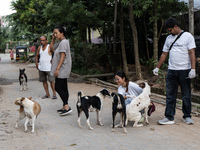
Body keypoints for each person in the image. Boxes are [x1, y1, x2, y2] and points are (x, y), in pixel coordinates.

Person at [153, 17, 196, 125]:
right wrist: (157, 67)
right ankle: (169, 117)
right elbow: (164, 54)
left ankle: (187, 116)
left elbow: (192, 53)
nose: (169, 32)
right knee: (170, 94)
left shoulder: (188, 36)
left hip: (184, 71)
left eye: (170, 30)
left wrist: (193, 69)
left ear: (176, 27)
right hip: (172, 70)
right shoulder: (168, 39)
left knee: (186, 95)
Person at [50, 25, 72, 116]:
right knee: (64, 87)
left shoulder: (63, 42)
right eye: (54, 33)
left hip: (62, 68)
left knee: (58, 87)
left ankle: (66, 106)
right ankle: (64, 106)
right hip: (63, 68)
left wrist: (57, 69)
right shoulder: (61, 42)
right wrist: (53, 39)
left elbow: (63, 56)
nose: (55, 34)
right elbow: (51, 48)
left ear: (62, 33)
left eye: (56, 33)